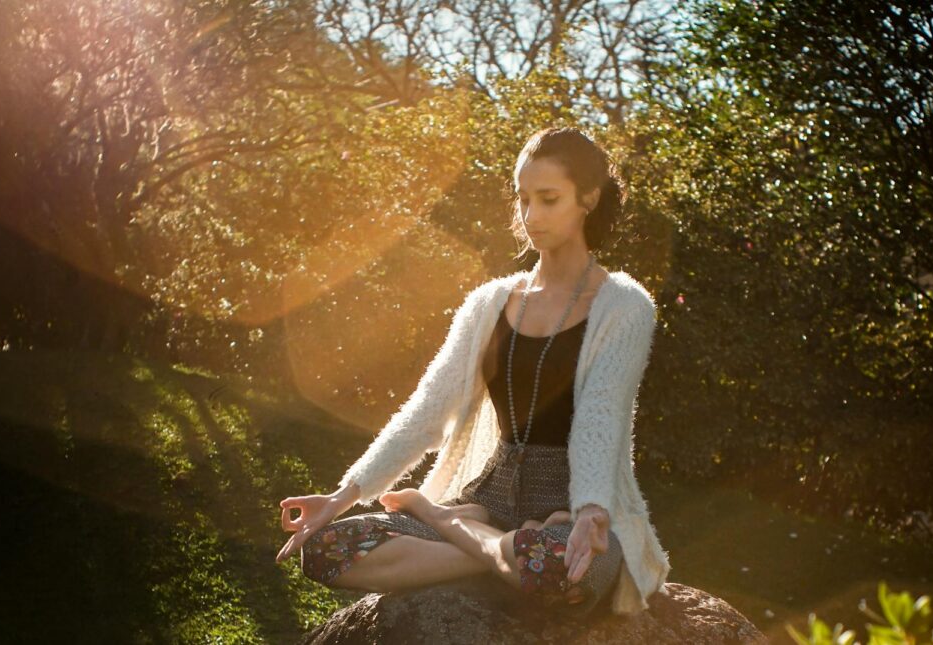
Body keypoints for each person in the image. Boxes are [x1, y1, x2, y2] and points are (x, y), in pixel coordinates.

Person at [275, 126, 671, 619]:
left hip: (571, 508)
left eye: (549, 199)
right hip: (487, 494)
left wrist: (591, 508)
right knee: (327, 548)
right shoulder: (489, 303)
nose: (531, 216)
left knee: (560, 573)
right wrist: (341, 497)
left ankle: (439, 518)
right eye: (523, 198)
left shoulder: (626, 306)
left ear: (588, 197)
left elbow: (601, 415)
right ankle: (491, 547)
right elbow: (425, 411)